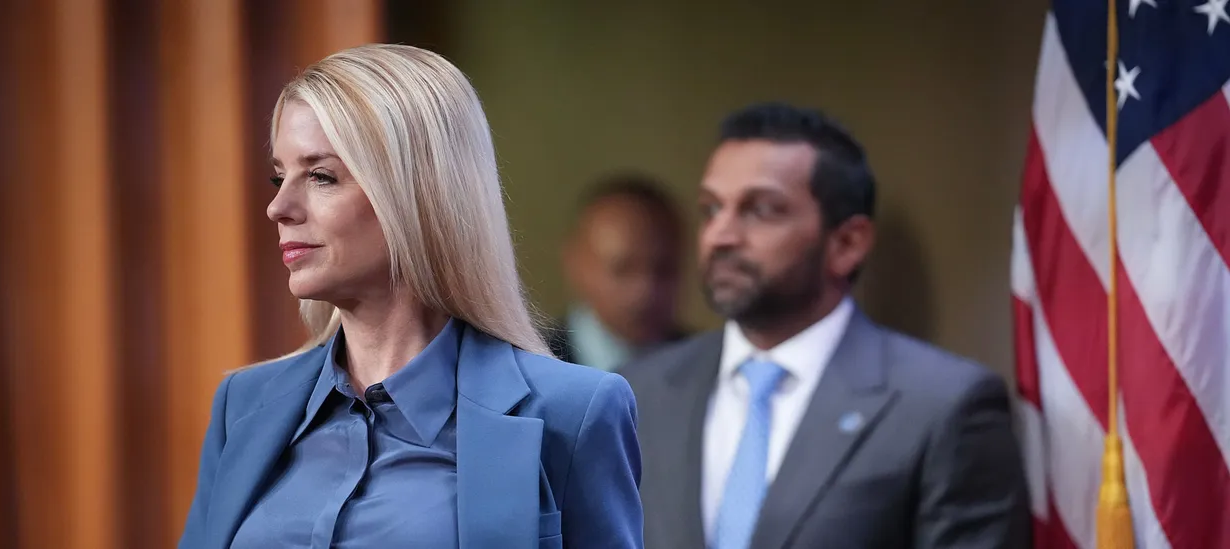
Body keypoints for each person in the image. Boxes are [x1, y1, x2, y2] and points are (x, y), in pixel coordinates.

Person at [178, 44, 642, 549]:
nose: (278, 206)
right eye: (279, 175)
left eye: (320, 176)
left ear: (416, 192)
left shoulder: (574, 411)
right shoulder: (243, 404)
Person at [617, 103, 1029, 549]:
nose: (721, 235)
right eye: (711, 209)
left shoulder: (943, 406)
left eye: (760, 210)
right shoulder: (637, 392)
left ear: (847, 244)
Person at [546, 173, 687, 371]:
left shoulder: (713, 370)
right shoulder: (529, 371)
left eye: (663, 270)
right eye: (622, 270)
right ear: (577, 264)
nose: (644, 291)